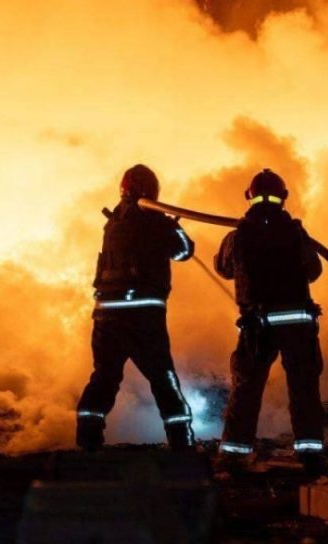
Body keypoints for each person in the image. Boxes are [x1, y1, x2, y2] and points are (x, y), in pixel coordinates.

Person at [76, 164, 197, 451]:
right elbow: (184, 250)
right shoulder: (154, 220)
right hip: (142, 315)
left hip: (106, 314)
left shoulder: (113, 221)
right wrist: (172, 224)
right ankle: (182, 443)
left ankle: (88, 441)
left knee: (104, 376)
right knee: (163, 377)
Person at [214, 168, 326, 477]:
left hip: (258, 326)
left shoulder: (238, 236)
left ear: (248, 196)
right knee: (304, 389)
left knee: (246, 390)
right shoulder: (296, 233)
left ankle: (234, 457)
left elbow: (223, 268)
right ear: (284, 196)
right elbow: (314, 271)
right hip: (297, 325)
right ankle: (311, 456)